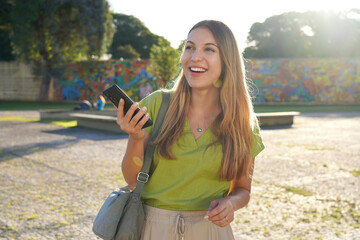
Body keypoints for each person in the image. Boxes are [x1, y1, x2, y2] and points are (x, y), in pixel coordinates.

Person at [116, 20, 265, 240]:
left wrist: (230, 204)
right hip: (153, 228)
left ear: (227, 60)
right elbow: (131, 180)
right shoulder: (157, 104)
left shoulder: (242, 122)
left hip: (210, 231)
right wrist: (136, 138)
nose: (195, 56)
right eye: (190, 47)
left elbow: (243, 190)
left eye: (209, 49)